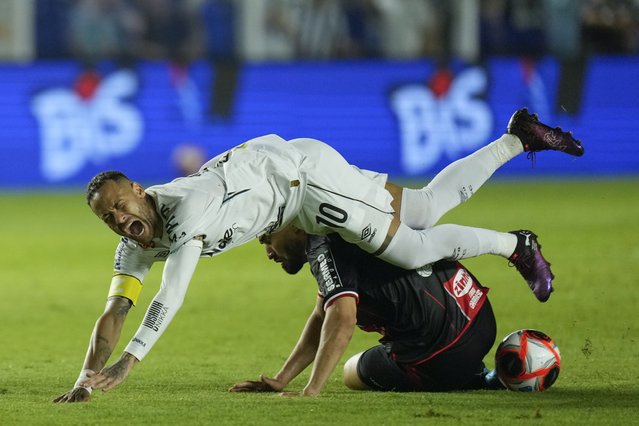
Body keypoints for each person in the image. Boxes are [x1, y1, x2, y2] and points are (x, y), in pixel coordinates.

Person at [53, 108, 583, 402]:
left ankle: (516, 244)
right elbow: (115, 311)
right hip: (293, 175)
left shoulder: (185, 210)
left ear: (140, 191)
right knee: (421, 206)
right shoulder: (134, 242)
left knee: (411, 247)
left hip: (306, 185)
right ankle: (517, 139)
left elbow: (173, 291)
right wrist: (84, 379)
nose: (120, 219)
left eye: (122, 205)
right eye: (110, 218)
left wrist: (128, 363)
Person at [230, 226, 504, 395]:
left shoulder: (322, 245)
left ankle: (471, 375)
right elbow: (321, 315)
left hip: (441, 355)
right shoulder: (352, 212)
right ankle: (487, 369)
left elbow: (343, 318)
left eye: (267, 239)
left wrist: (311, 389)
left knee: (352, 371)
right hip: (479, 314)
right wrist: (281, 379)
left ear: (296, 226)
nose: (268, 251)